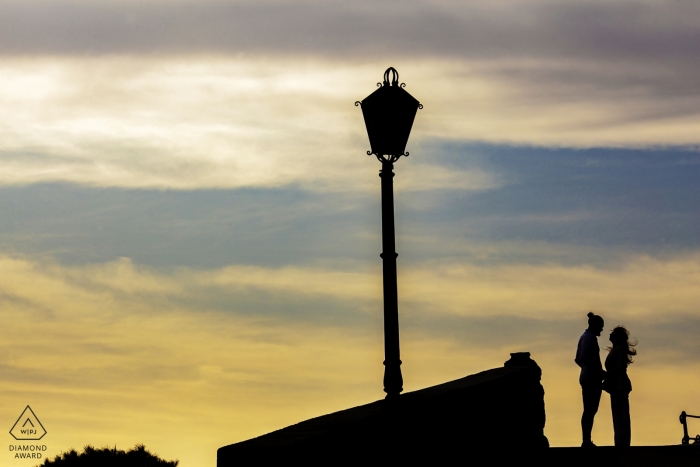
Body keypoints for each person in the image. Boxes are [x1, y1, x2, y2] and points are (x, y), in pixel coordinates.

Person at [575, 312, 606, 448]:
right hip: (591, 379)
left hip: (587, 377)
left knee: (589, 410)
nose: (602, 330)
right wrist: (598, 372)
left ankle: (586, 439)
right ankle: (586, 440)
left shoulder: (584, 337)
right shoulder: (590, 338)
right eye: (601, 327)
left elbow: (578, 359)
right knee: (590, 410)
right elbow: (584, 358)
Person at [604, 326, 637, 447]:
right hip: (616, 385)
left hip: (620, 385)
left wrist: (606, 375)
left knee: (621, 415)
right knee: (618, 415)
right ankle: (620, 440)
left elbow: (618, 368)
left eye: (613, 333)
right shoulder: (616, 349)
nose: (610, 335)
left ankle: (622, 442)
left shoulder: (619, 350)